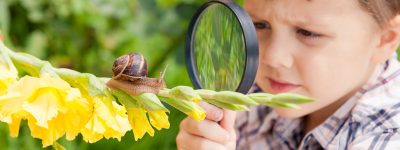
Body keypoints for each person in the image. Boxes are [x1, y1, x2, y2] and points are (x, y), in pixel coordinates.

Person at [176, 0, 400, 149]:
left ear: (384, 39)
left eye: (308, 33)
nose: (272, 57)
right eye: (260, 24)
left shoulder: (388, 139)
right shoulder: (254, 103)